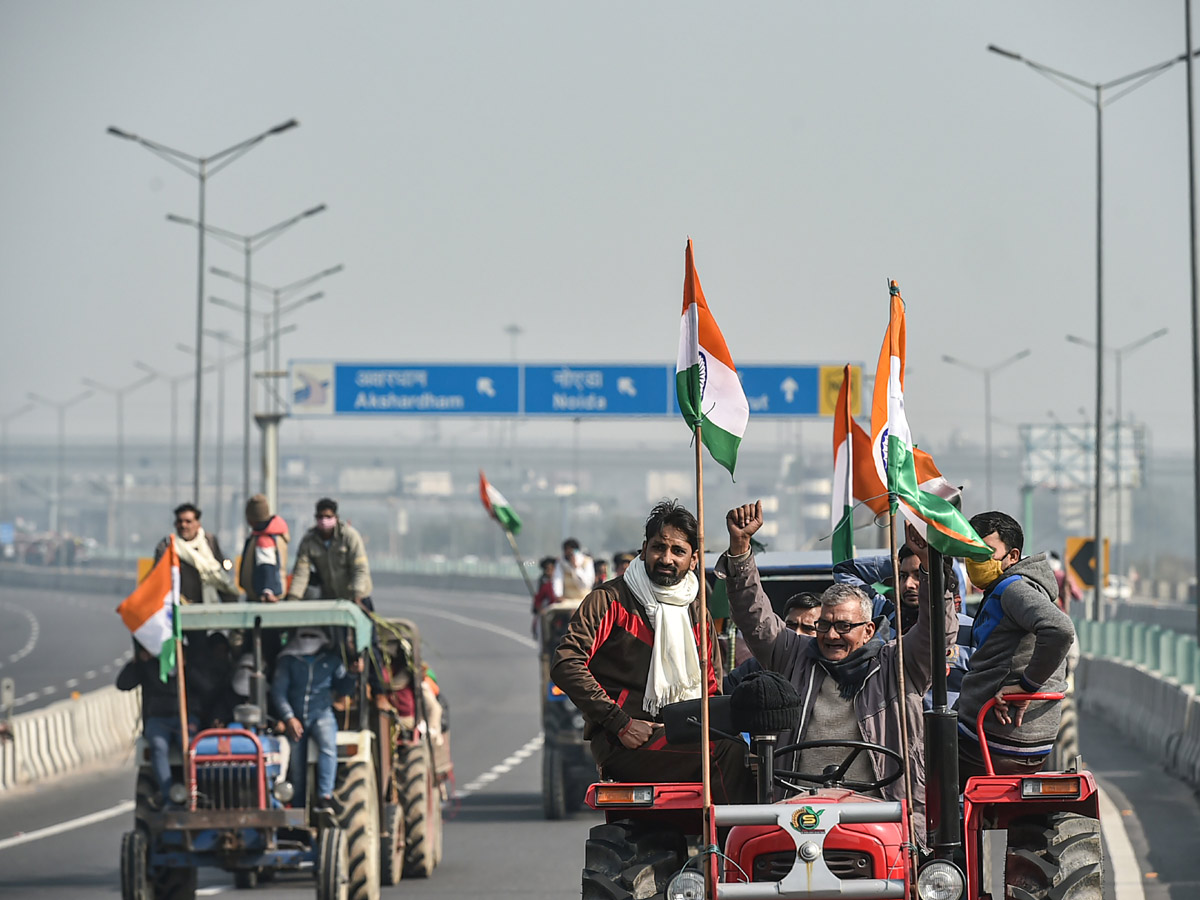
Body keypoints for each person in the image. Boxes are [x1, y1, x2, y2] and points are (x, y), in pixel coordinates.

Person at [718, 501, 956, 827]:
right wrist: (740, 550)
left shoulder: (899, 666)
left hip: (882, 816)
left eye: (844, 626)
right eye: (824, 625)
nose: (831, 635)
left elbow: (936, 632)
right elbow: (753, 616)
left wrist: (930, 564)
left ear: (869, 630)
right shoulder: (794, 654)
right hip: (798, 814)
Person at [551, 500, 753, 803]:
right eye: (659, 547)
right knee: (728, 752)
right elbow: (566, 663)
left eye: (678, 551)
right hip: (626, 741)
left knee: (758, 754)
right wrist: (621, 723)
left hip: (686, 733)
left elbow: (711, 688)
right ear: (644, 549)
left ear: (694, 560)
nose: (667, 558)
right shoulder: (610, 600)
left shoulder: (697, 612)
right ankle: (728, 847)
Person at [956, 511, 1075, 785]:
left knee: (916, 756)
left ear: (1012, 556)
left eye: (986, 552)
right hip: (1023, 738)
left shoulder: (1013, 589)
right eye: (971, 552)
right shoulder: (1009, 589)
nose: (976, 561)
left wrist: (1027, 686)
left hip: (993, 735)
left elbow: (1060, 629)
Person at [285, 499, 384, 697]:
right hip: (334, 602)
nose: (324, 521)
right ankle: (346, 691)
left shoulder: (349, 536)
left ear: (336, 518)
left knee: (368, 644)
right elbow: (301, 572)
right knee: (338, 645)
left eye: (328, 517)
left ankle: (378, 690)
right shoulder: (310, 540)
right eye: (320, 517)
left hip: (358, 599)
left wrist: (356, 596)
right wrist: (293, 600)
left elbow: (360, 568)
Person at [271, 627, 359, 812]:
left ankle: (325, 797)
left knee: (328, 745)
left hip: (322, 714)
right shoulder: (288, 661)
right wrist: (289, 718)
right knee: (296, 764)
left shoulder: (332, 662)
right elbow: (279, 692)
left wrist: (352, 673)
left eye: (313, 636)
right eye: (305, 635)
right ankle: (298, 807)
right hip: (295, 718)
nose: (308, 640)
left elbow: (344, 688)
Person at [117, 642, 205, 806]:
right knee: (158, 745)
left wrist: (186, 668)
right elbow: (123, 684)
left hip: (186, 718)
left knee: (188, 746)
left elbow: (207, 687)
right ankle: (168, 797)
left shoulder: (189, 665)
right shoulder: (149, 665)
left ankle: (196, 793)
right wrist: (137, 661)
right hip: (158, 718)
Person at [725, 592, 822, 693]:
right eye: (791, 626)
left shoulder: (826, 672)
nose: (797, 633)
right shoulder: (755, 667)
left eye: (808, 628)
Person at [155, 503, 234, 605]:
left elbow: (219, 574)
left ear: (197, 524)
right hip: (179, 606)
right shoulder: (167, 546)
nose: (183, 525)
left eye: (188, 521)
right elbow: (158, 578)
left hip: (206, 604)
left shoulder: (209, 542)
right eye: (180, 521)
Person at [239, 494, 289, 603]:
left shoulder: (264, 540)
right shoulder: (274, 535)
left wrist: (267, 591)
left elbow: (267, 567)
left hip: (262, 600)